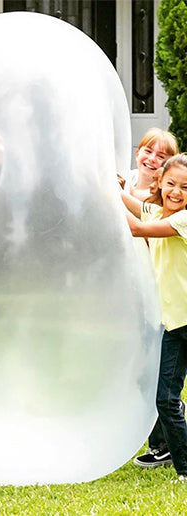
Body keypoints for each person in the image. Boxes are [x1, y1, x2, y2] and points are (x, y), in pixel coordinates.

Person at [121, 153, 187, 482]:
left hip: (184, 323)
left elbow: (136, 227)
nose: (176, 191)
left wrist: (110, 199)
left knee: (167, 399)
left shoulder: (183, 219)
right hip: (173, 325)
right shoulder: (160, 211)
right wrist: (106, 186)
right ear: (160, 183)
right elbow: (134, 205)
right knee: (165, 397)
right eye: (171, 184)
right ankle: (182, 465)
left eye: (185, 187)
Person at [121, 128, 178, 201]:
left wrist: (126, 191)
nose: (152, 159)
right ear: (137, 154)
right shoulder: (127, 175)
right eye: (148, 151)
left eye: (160, 156)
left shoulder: (164, 193)